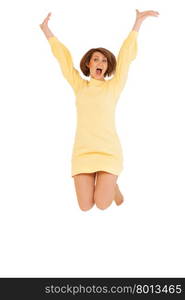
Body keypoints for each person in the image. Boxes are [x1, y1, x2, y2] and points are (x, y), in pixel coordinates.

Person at [39, 9, 160, 211]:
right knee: (85, 206)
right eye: (96, 59)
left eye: (104, 60)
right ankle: (108, 183)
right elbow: (63, 59)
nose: (100, 63)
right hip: (83, 153)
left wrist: (137, 24)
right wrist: (46, 31)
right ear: (88, 63)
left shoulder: (114, 86)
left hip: (108, 152)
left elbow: (125, 57)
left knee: (103, 204)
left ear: (107, 66)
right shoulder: (80, 86)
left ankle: (112, 184)